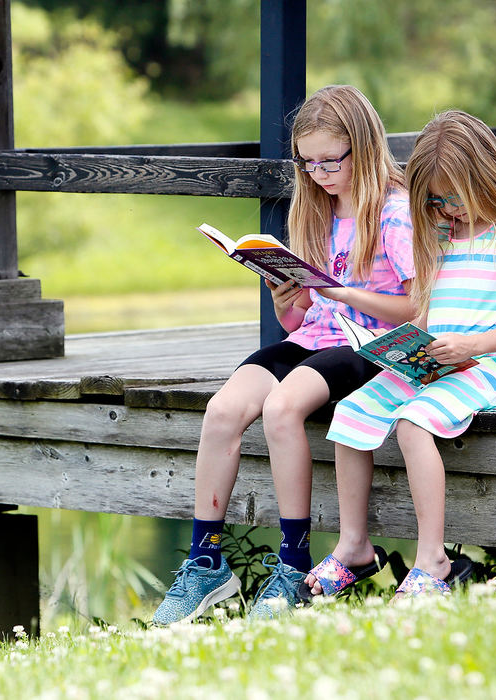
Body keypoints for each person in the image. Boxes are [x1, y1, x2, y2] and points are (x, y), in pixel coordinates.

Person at [151, 85, 415, 624]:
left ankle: (294, 562)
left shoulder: (394, 211)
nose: (318, 174)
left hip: (365, 344)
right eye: (307, 163)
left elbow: (417, 306)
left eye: (329, 161)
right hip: (315, 338)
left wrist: (344, 293)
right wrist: (285, 299)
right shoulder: (314, 207)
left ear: (362, 148)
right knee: (223, 410)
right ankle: (206, 562)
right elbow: (300, 323)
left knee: (280, 408)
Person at [303, 109, 496, 599]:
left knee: (413, 423)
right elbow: (426, 313)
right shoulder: (438, 237)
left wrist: (472, 345)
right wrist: (400, 344)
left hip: (485, 368)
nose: (447, 209)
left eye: (454, 198)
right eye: (436, 200)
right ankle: (354, 545)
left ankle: (432, 560)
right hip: (435, 359)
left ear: (485, 178)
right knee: (353, 409)